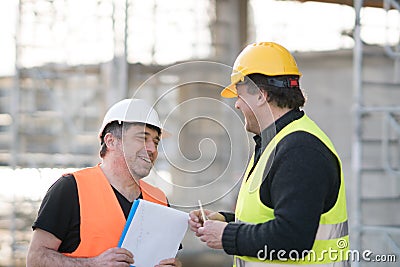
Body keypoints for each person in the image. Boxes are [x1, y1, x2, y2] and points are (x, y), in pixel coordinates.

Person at [189, 42, 350, 266]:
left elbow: (292, 238)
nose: (236, 104)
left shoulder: (300, 151)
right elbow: (277, 217)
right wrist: (226, 221)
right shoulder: (278, 143)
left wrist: (227, 235)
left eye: (239, 94)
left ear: (261, 95)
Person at [27, 98, 182, 267]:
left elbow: (170, 259)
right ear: (111, 141)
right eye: (142, 138)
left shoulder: (159, 199)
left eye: (156, 142)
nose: (152, 149)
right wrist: (93, 264)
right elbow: (35, 259)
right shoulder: (71, 188)